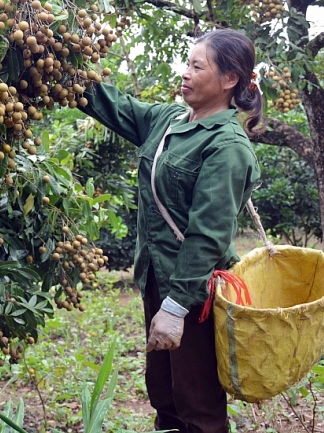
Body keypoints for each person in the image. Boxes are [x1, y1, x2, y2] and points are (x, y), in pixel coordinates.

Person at [79, 29, 262, 433]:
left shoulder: (228, 145)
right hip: (156, 279)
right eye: (187, 63)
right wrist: (62, 69)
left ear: (230, 79)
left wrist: (177, 307)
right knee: (164, 393)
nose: (185, 74)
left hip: (194, 294)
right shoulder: (167, 120)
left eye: (198, 67)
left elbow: (208, 235)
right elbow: (116, 106)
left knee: (197, 405)